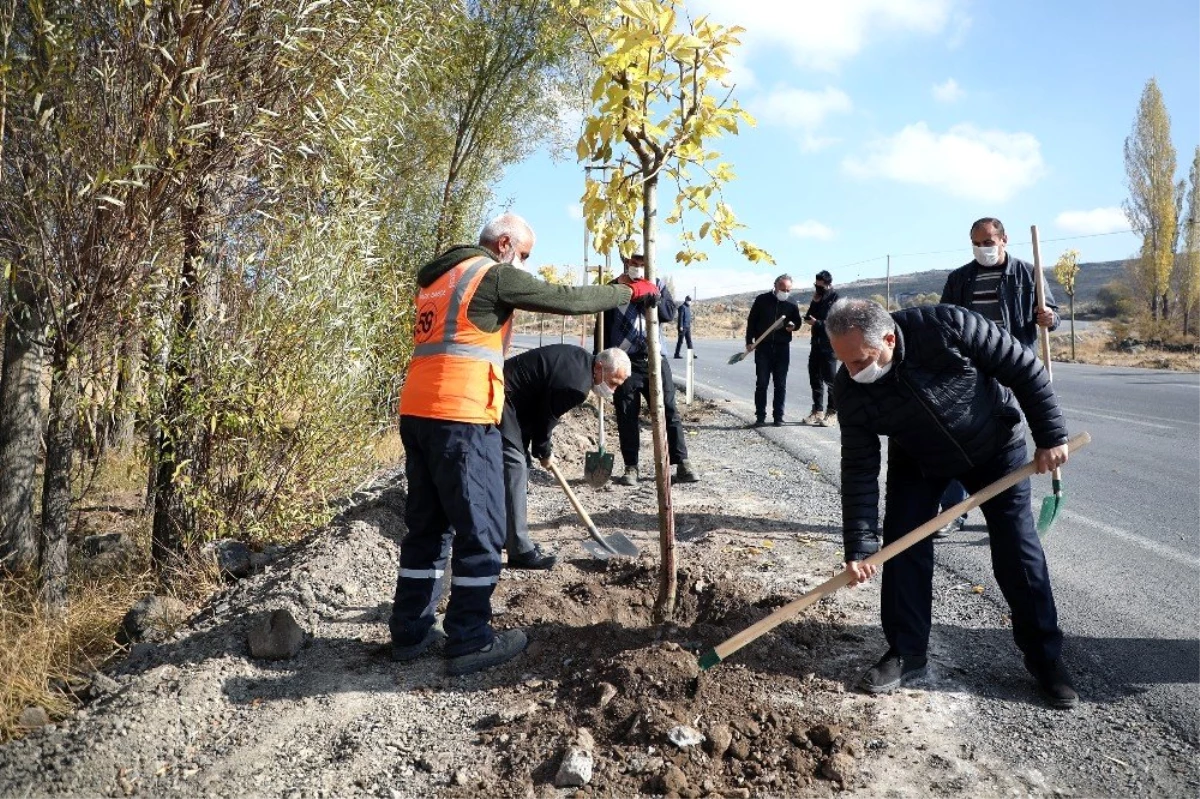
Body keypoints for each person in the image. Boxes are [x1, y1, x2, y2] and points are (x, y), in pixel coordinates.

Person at [391, 213, 658, 675]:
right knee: (483, 530)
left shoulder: (439, 278)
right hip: (462, 413)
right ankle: (470, 641)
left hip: (417, 411)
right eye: (525, 254)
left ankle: (409, 633)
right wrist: (624, 292)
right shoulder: (489, 275)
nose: (524, 264)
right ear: (505, 243)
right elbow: (563, 299)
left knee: (427, 530)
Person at [827, 298, 1077, 709]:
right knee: (903, 544)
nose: (852, 373)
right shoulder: (850, 388)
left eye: (860, 361)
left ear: (888, 338)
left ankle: (1045, 658)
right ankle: (906, 651)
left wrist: (1051, 436)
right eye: (845, 363)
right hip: (919, 460)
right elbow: (858, 467)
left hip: (995, 445)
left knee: (1018, 548)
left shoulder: (946, 326)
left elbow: (1023, 368)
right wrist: (859, 547)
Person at [935, 217, 1062, 536]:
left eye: (988, 243)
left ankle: (1011, 516)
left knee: (1011, 439)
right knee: (959, 437)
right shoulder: (960, 279)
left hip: (1016, 365)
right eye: (976, 244)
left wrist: (1049, 318)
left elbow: (1053, 315)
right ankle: (953, 511)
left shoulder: (1027, 274)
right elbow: (944, 321)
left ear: (1003, 239)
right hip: (971, 368)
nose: (982, 249)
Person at [501, 345, 631, 570]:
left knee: (516, 466)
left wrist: (539, 448)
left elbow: (541, 405)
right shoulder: (577, 387)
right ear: (599, 367)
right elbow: (546, 419)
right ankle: (520, 551)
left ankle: (508, 537)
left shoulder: (580, 359)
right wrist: (544, 450)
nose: (613, 390)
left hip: (514, 401)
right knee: (515, 469)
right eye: (612, 382)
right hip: (502, 397)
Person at [598, 250, 700, 487]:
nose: (639, 266)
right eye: (635, 262)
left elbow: (669, 314)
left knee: (669, 411)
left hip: (655, 357)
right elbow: (603, 327)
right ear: (626, 262)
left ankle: (682, 463)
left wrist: (652, 302)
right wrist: (600, 363)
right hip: (623, 361)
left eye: (644, 262)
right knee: (626, 414)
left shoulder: (658, 285)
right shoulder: (614, 288)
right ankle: (631, 467)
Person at [744, 274, 803, 427]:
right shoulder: (762, 300)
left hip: (782, 348)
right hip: (763, 347)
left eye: (788, 289)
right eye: (782, 289)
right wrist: (749, 341)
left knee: (780, 384)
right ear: (775, 286)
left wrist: (793, 326)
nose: (785, 292)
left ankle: (778, 416)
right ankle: (760, 416)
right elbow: (752, 321)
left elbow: (797, 321)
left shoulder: (791, 303)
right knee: (762, 383)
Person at [802, 270, 840, 427]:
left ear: (828, 285)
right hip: (816, 344)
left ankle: (832, 412)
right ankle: (817, 411)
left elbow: (836, 323)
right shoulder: (817, 298)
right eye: (815, 286)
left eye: (820, 287)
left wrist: (817, 323)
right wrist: (815, 302)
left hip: (829, 346)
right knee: (815, 378)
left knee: (831, 381)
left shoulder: (836, 299)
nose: (818, 289)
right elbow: (808, 316)